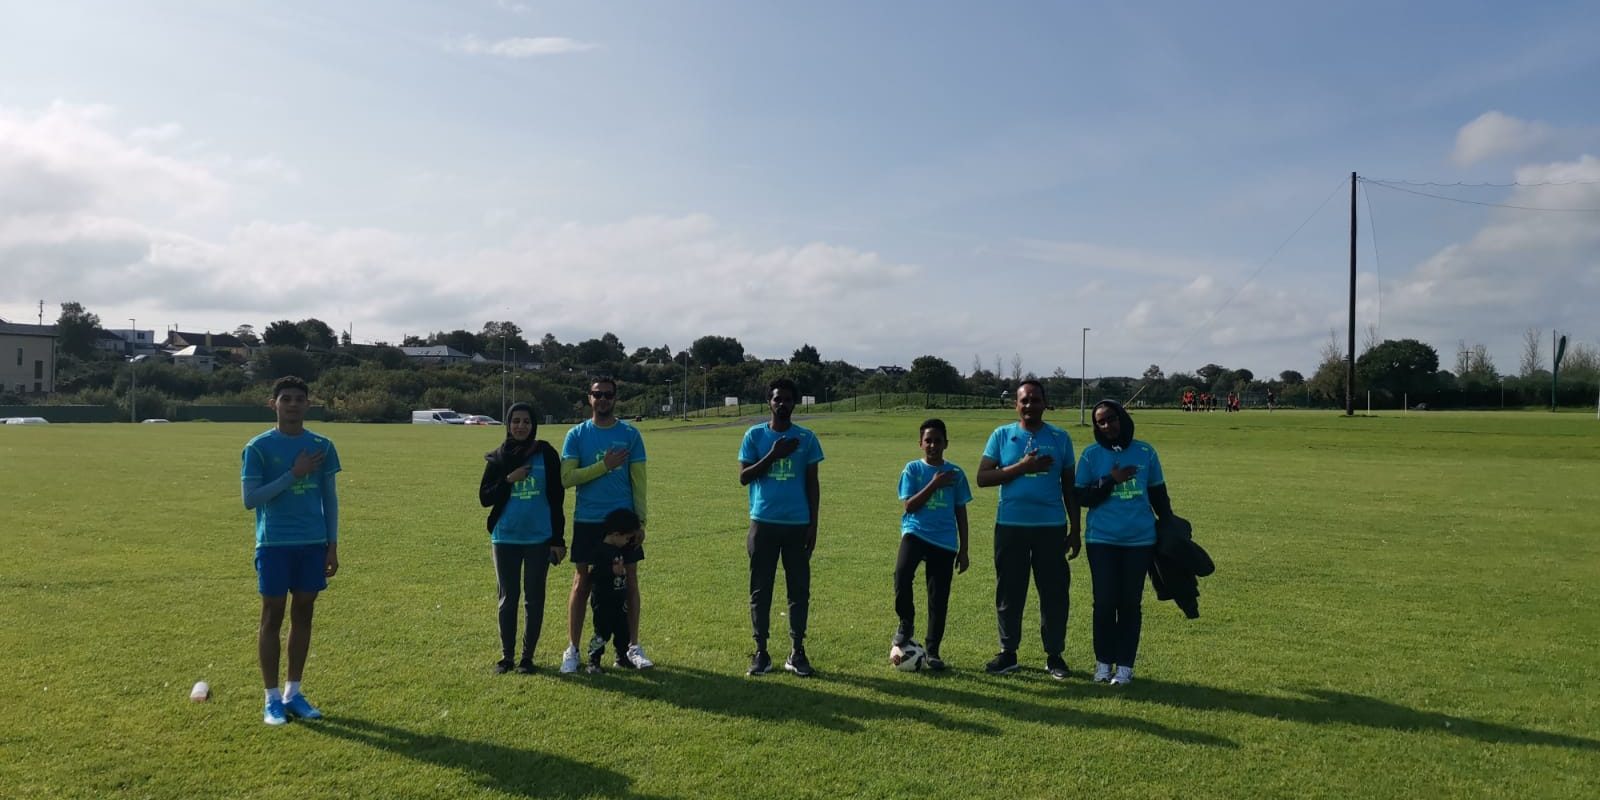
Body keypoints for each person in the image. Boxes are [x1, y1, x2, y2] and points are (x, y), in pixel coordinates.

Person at [241, 376, 341, 726]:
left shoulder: (323, 445)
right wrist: (293, 474)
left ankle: (293, 693)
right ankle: (270, 699)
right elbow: (250, 500)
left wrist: (332, 545)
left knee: (304, 614)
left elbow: (329, 498)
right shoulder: (258, 448)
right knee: (272, 616)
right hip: (274, 544)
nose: (293, 404)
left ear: (308, 404)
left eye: (300, 398)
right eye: (286, 399)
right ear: (274, 404)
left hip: (312, 544)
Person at [976, 379, 1082, 678]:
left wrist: (1075, 530)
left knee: (1054, 593)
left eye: (1035, 400)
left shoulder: (1060, 438)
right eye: (1024, 400)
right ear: (1016, 404)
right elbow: (983, 477)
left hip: (1051, 528)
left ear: (1044, 403)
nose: (1029, 405)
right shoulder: (1002, 435)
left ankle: (1055, 656)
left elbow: (1069, 488)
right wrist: (1022, 467)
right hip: (1010, 527)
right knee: (1010, 592)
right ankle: (1008, 653)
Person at [1073, 400, 1174, 686]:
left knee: (1130, 604)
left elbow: (1158, 496)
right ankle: (1103, 663)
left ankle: (1125, 666)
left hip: (1139, 540)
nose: (1107, 426)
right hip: (1102, 539)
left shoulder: (1145, 452)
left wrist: (1169, 529)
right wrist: (1111, 480)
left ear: (1123, 417)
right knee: (1104, 603)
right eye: (1100, 422)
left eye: (1111, 419)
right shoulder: (1092, 456)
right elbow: (1082, 497)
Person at [559, 377, 652, 673]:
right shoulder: (576, 435)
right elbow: (566, 479)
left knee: (629, 583)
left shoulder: (630, 434)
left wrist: (640, 522)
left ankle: (631, 648)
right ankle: (573, 650)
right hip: (588, 521)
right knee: (582, 583)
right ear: (589, 398)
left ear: (615, 398)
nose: (602, 399)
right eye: (597, 394)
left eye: (608, 394)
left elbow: (639, 481)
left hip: (623, 524)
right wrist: (604, 466)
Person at [739, 378, 824, 677]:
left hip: (798, 525)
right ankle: (761, 652)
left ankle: (797, 651)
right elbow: (744, 477)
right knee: (760, 590)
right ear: (769, 402)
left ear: (795, 403)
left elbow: (813, 484)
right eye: (777, 399)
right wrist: (774, 454)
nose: (782, 404)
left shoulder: (807, 439)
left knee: (799, 591)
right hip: (763, 523)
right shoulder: (754, 436)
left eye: (788, 399)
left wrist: (814, 523)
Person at [478, 402, 566, 674]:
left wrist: (558, 540)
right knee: (508, 597)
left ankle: (527, 658)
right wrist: (509, 479)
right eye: (515, 421)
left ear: (533, 425)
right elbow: (485, 497)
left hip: (539, 538)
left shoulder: (546, 455)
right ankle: (507, 657)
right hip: (505, 538)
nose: (520, 426)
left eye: (526, 421)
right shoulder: (498, 457)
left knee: (534, 598)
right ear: (508, 424)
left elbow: (556, 498)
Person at [892, 418, 971, 671]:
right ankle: (906, 622)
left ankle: (933, 651)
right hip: (915, 532)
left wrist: (965, 549)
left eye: (938, 440)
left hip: (945, 539)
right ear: (920, 443)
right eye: (928, 440)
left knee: (939, 597)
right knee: (902, 575)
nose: (933, 445)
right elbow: (909, 505)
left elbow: (961, 510)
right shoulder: (913, 469)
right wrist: (935, 483)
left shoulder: (956, 474)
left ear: (946, 443)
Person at [585, 509, 645, 673]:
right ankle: (593, 660)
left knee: (622, 631)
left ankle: (622, 657)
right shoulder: (600, 551)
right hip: (603, 601)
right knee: (602, 633)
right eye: (626, 538)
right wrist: (611, 571)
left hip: (619, 600)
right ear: (616, 534)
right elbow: (593, 574)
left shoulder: (619, 549)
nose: (627, 542)